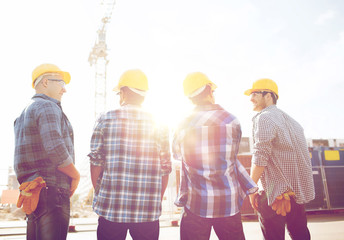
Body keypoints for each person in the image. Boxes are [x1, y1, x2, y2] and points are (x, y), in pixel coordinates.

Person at [172, 72, 258, 240]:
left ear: (189, 98)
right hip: (228, 204)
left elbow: (176, 154)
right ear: (210, 91)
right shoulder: (232, 121)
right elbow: (232, 157)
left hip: (196, 203)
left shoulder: (181, 124)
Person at [88, 69, 172, 240]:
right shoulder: (159, 124)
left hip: (111, 207)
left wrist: (99, 192)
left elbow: (96, 162)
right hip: (147, 211)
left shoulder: (105, 119)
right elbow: (165, 168)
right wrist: (155, 198)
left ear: (124, 91)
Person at [14, 63, 80, 240]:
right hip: (52, 192)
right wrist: (75, 175)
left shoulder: (23, 114)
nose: (64, 90)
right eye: (61, 83)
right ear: (45, 83)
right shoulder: (48, 107)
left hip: (33, 191)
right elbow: (55, 149)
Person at [244, 78, 315, 240]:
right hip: (297, 194)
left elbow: (260, 155)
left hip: (273, 193)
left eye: (254, 94)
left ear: (268, 95)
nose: (251, 98)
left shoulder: (264, 117)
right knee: (300, 234)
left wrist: (251, 188)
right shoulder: (295, 123)